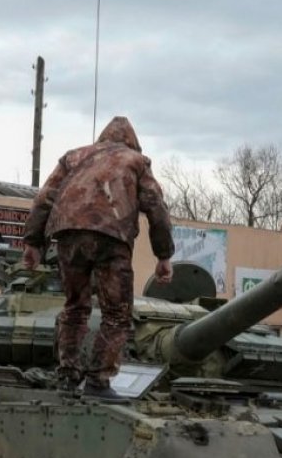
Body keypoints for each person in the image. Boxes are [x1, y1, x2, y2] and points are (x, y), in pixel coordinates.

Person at [23, 116, 175, 399]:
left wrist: (33, 243)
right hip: (111, 235)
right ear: (132, 142)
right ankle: (98, 381)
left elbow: (44, 198)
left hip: (67, 234)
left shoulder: (73, 157)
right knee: (116, 313)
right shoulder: (137, 162)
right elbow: (156, 207)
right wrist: (163, 255)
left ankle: (68, 377)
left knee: (74, 307)